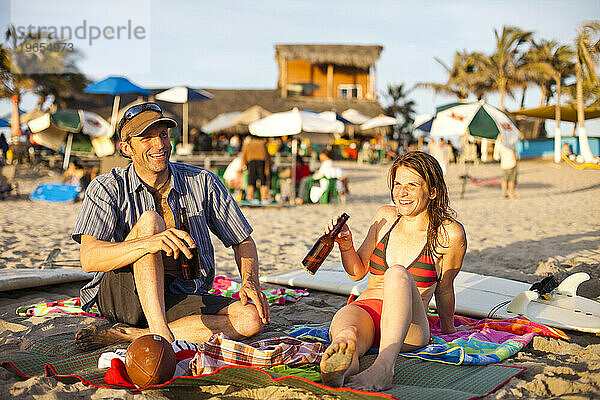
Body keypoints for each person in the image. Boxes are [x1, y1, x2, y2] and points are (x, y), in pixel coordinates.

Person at [72, 102, 269, 350]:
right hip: (122, 295)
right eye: (146, 138)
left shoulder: (202, 181)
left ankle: (133, 335)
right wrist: (149, 242)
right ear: (126, 148)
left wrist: (250, 282)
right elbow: (89, 259)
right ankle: (162, 338)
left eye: (163, 134)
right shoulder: (106, 187)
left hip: (180, 292)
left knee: (251, 319)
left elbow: (243, 240)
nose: (160, 145)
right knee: (150, 221)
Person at [318, 151, 467, 391]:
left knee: (396, 273)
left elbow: (445, 289)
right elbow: (357, 273)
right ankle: (339, 367)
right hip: (366, 310)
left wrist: (448, 329)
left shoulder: (449, 234)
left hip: (409, 327)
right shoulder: (385, 217)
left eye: (412, 185)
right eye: (397, 184)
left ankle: (384, 368)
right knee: (347, 335)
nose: (402, 192)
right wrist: (346, 246)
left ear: (433, 191)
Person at [240, 135, 271, 203]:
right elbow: (267, 156)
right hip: (261, 162)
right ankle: (264, 198)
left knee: (251, 181)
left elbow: (244, 154)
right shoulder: (262, 144)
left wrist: (243, 164)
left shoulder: (248, 144)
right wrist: (267, 168)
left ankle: (250, 197)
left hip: (251, 162)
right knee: (263, 181)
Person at [493, 134, 518, 199]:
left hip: (504, 164)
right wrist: (517, 163)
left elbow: (498, 156)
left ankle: (504, 194)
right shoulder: (510, 143)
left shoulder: (499, 144)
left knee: (504, 180)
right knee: (511, 180)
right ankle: (511, 194)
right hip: (512, 163)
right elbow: (514, 153)